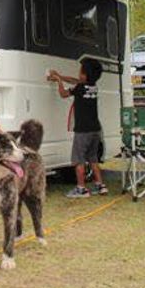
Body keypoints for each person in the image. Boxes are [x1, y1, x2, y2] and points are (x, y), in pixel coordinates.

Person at [46, 58, 108, 198]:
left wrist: (59, 81)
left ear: (85, 74)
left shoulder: (80, 88)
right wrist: (60, 76)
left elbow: (63, 94)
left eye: (80, 71)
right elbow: (76, 81)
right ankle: (100, 186)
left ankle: (81, 189)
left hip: (83, 131)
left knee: (78, 159)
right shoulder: (93, 86)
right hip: (95, 130)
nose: (78, 73)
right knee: (93, 159)